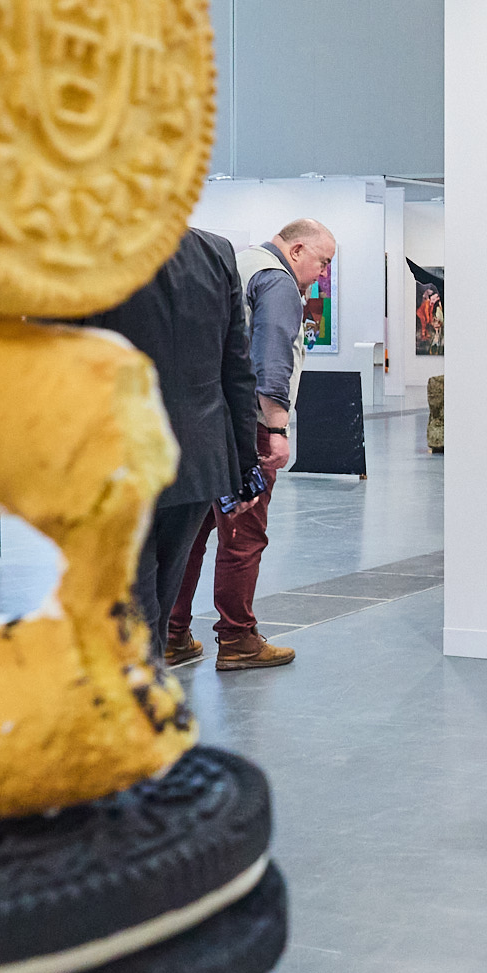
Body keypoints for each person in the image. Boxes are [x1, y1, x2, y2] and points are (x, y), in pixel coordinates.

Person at [166, 218, 333, 673]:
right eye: (322, 262)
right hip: (250, 427)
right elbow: (270, 356)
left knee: (192, 532)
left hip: (205, 420)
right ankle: (238, 638)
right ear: (297, 250)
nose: (322, 273)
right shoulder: (277, 281)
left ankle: (171, 632)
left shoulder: (236, 263)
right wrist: (276, 430)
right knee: (243, 532)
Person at [84, 226, 255, 656]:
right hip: (198, 456)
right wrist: (244, 462)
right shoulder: (216, 251)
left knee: (130, 599)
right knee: (159, 593)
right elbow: (237, 365)